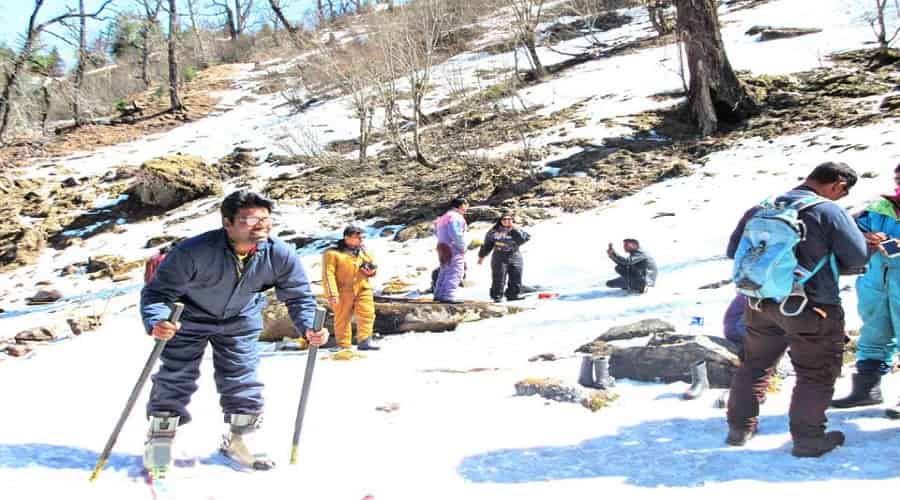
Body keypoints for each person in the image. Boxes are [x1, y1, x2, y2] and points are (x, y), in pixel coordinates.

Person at [140, 190, 328, 474]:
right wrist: (158, 320)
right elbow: (157, 293)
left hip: (240, 318)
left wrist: (308, 327)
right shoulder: (194, 252)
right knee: (176, 374)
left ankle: (242, 437)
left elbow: (299, 296)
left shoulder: (279, 253)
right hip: (188, 319)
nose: (260, 225)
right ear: (227, 223)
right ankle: (160, 436)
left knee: (242, 375)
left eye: (264, 219)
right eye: (249, 220)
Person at [725, 161, 867, 458]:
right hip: (811, 307)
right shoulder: (828, 211)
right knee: (815, 373)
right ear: (837, 184)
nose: (842, 197)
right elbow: (856, 257)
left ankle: (740, 428)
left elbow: (733, 251)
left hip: (759, 303)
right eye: (844, 191)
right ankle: (808, 439)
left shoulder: (763, 207)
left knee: (754, 364)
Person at [832, 163, 900, 414]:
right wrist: (867, 239)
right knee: (874, 333)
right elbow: (849, 233)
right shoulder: (878, 209)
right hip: (874, 283)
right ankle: (866, 390)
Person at [322, 225, 380, 351]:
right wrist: (332, 293)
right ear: (347, 238)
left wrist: (371, 271)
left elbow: (372, 269)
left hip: (363, 287)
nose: (361, 239)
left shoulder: (364, 252)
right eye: (357, 237)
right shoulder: (332, 253)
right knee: (342, 317)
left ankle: (365, 341)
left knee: (367, 314)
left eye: (362, 237)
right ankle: (343, 345)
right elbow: (328, 274)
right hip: (342, 290)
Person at [477, 213, 530, 302]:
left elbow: (522, 240)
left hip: (515, 255)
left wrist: (513, 229)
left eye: (509, 219)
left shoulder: (516, 229)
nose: (507, 221)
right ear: (500, 221)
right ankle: (497, 296)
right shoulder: (493, 231)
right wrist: (481, 257)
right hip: (499, 256)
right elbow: (487, 245)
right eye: (504, 219)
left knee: (516, 276)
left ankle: (513, 295)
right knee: (499, 277)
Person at [433, 197, 469, 303]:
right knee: (455, 271)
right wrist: (462, 246)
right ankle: (449, 295)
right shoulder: (455, 217)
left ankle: (439, 294)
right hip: (452, 247)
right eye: (466, 204)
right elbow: (455, 233)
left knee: (444, 271)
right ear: (461, 205)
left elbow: (437, 231)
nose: (467, 207)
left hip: (442, 246)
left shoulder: (444, 216)